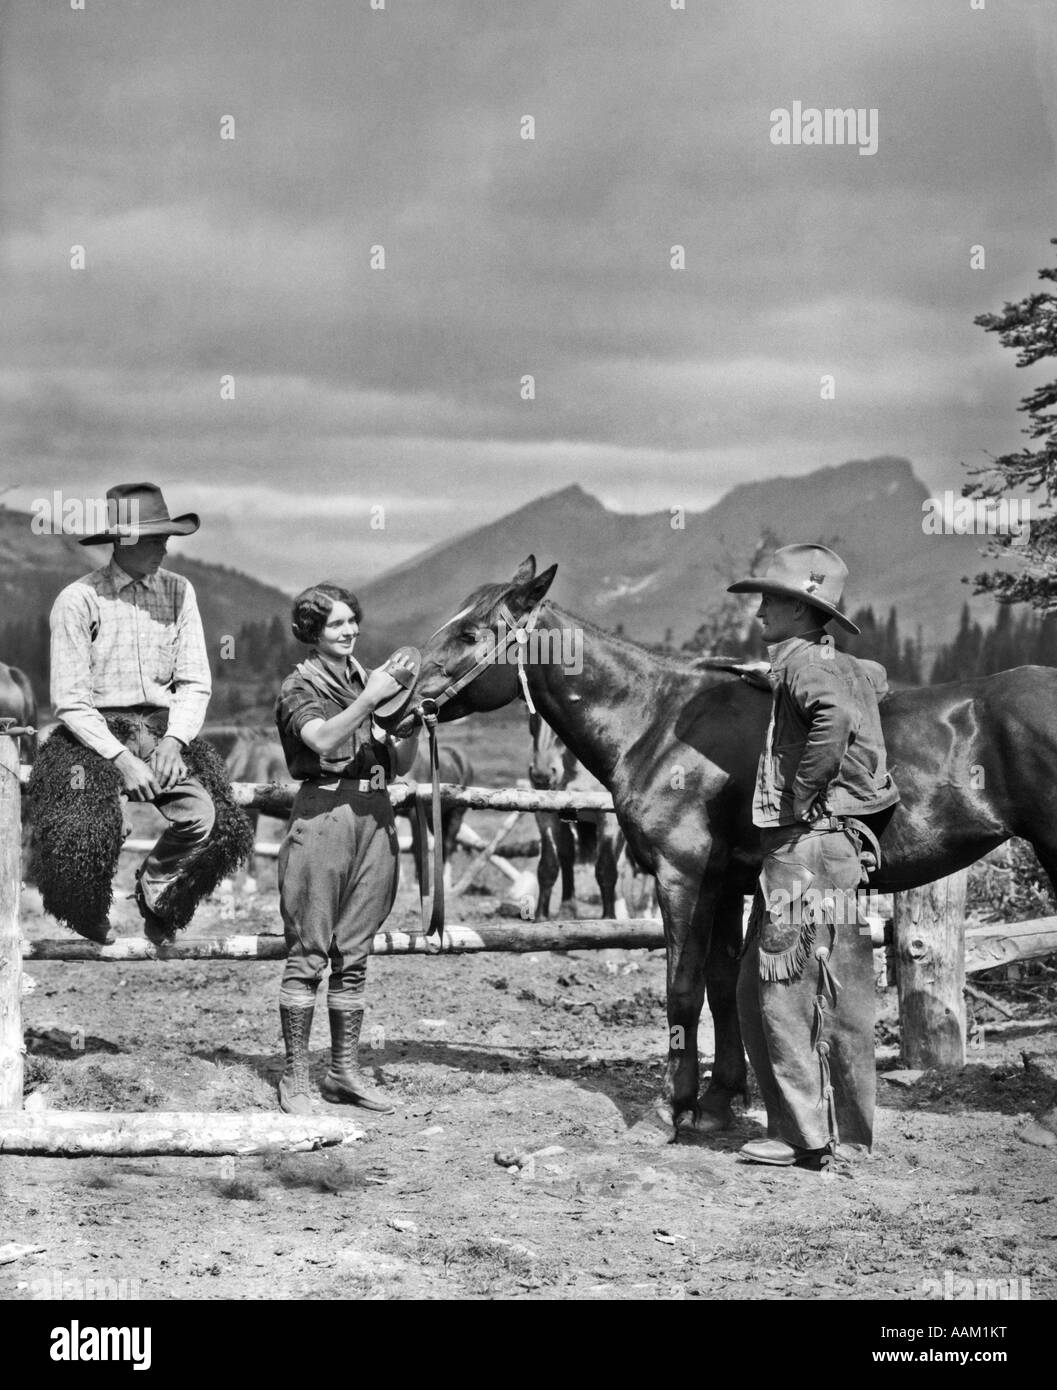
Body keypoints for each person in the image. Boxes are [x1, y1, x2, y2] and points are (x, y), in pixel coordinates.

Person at [727, 544, 899, 1167]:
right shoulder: (840, 662)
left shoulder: (811, 669)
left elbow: (829, 713)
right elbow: (869, 680)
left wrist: (801, 792)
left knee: (780, 986)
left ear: (802, 611)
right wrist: (768, 673)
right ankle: (846, 1132)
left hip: (806, 848)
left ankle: (802, 1138)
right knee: (830, 987)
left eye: (770, 601)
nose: (759, 613)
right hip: (836, 849)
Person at [273, 583, 420, 1116]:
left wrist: (409, 722)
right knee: (309, 950)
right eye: (337, 624)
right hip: (325, 816)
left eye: (352, 620)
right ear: (313, 631)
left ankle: (343, 1073)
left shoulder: (372, 682)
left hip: (375, 816)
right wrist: (371, 699)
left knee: (354, 954)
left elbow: (401, 765)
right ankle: (296, 1078)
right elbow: (322, 741)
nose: (349, 630)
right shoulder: (300, 685)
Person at [48, 481, 216, 945]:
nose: (166, 546)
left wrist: (174, 740)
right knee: (96, 822)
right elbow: (70, 700)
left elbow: (195, 681)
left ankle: (156, 889)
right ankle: (88, 904)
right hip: (94, 733)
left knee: (203, 817)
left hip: (162, 730)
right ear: (123, 541)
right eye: (155, 536)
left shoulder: (180, 592)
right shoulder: (78, 600)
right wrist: (121, 759)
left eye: (166, 535)